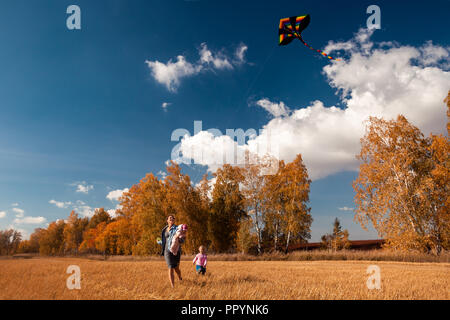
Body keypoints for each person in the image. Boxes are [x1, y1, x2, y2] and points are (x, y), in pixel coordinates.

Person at [161, 215, 184, 288]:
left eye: (173, 218)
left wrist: (180, 239)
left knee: (176, 268)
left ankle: (180, 276)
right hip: (167, 251)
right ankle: (172, 286)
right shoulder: (164, 229)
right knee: (170, 267)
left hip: (175, 250)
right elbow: (164, 240)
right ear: (167, 220)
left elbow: (182, 240)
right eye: (170, 218)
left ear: (174, 220)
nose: (172, 219)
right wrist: (160, 243)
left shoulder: (177, 228)